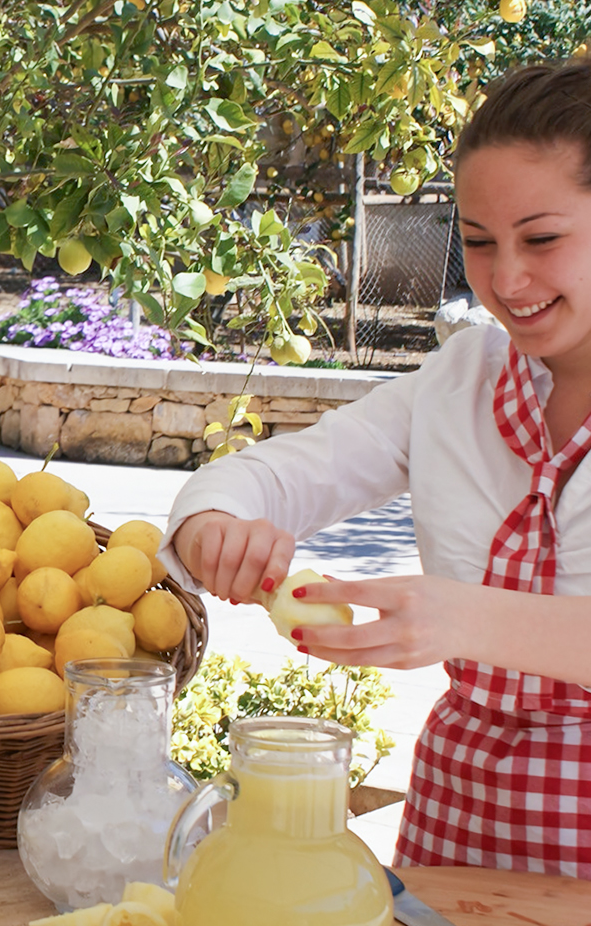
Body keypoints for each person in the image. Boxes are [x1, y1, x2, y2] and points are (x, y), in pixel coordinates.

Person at [160, 59, 591, 879]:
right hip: (461, 824)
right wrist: (215, 523)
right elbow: (285, 475)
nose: (505, 279)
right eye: (476, 242)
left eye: (542, 239)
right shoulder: (462, 381)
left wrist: (465, 619)